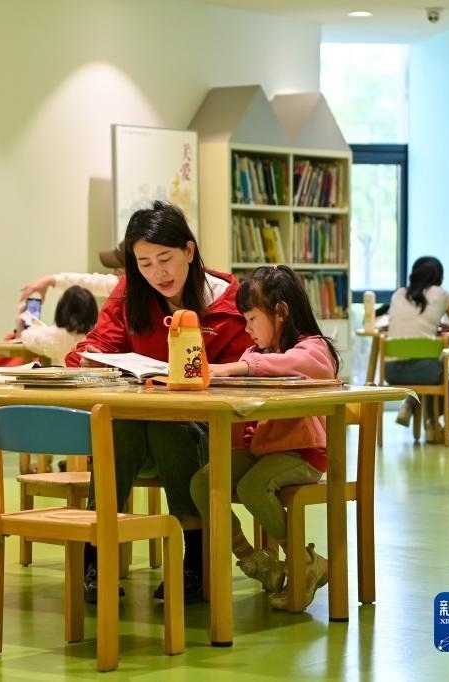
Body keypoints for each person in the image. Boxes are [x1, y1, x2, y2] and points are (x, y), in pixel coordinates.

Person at [64, 200, 251, 604]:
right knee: (119, 423)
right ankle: (96, 556)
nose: (157, 273)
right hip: (139, 433)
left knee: (172, 427)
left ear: (189, 250)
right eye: (144, 263)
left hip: (209, 439)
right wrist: (88, 359)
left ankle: (194, 561)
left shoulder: (230, 302)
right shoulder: (131, 292)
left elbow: (244, 375)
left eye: (165, 259)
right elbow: (100, 343)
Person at [191, 264, 341, 611]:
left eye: (251, 319)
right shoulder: (256, 353)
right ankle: (254, 559)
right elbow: (247, 372)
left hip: (306, 453)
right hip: (264, 450)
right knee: (203, 482)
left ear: (281, 313)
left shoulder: (315, 349)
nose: (247, 329)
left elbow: (295, 364)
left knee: (252, 487)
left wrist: (240, 367)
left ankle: (303, 561)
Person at [385, 256, 449, 437]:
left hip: (392, 371)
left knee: (428, 364)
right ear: (440, 278)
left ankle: (409, 404)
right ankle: (432, 424)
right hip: (426, 372)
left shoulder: (398, 294)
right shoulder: (442, 295)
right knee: (440, 368)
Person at [15, 285, 99, 366]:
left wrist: (20, 319)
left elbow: (25, 337)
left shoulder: (54, 335)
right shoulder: (97, 337)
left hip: (62, 374)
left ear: (62, 309)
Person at [18, 241, 125, 303]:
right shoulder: (121, 285)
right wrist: (50, 280)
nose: (113, 273)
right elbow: (90, 282)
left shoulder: (126, 288)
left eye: (117, 267)